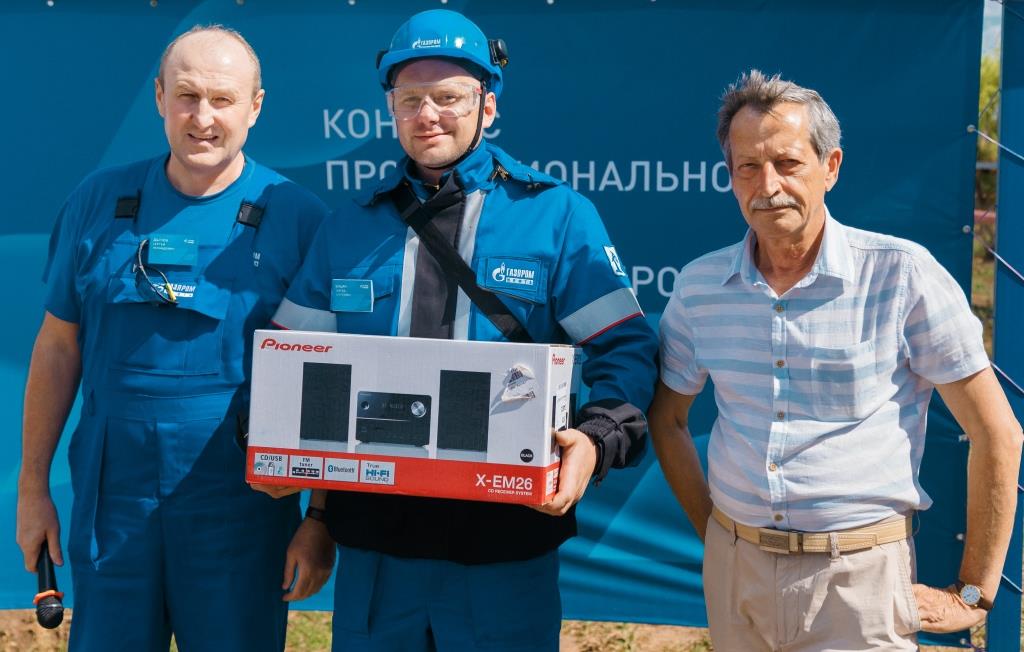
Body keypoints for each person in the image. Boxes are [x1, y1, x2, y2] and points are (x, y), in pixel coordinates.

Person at [259, 9, 659, 651]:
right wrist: (317, 513)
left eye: (448, 97)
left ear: (487, 106)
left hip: (504, 548)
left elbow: (625, 351)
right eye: (410, 99)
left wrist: (594, 440)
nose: (428, 115)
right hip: (376, 553)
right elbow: (297, 370)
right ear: (390, 109)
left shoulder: (556, 216)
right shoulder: (347, 229)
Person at [649, 69, 1023, 651]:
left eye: (788, 163)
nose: (768, 184)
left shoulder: (901, 275)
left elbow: (997, 432)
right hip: (736, 574)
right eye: (748, 166)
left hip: (859, 583)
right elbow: (667, 418)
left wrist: (973, 593)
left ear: (831, 167)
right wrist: (719, 538)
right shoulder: (701, 286)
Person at [15, 25, 333, 651]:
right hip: (113, 501)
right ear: (160, 97)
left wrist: (319, 517)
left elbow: (325, 379)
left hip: (241, 502)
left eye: (223, 99)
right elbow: (57, 349)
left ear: (255, 107)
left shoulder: (299, 219)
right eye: (187, 95)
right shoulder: (97, 201)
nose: (203, 117)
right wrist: (32, 488)